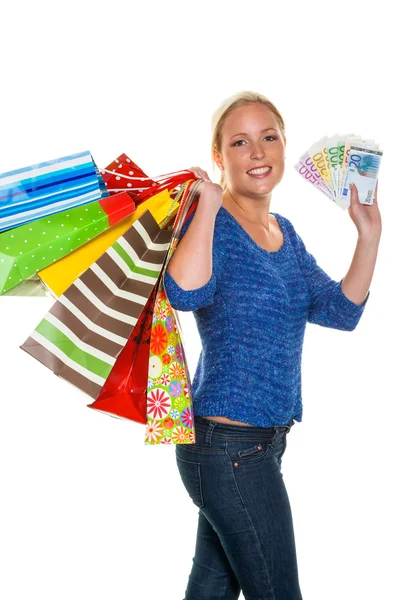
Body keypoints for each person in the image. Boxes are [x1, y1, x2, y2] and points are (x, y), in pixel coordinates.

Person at [163, 91, 382, 600]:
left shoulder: (284, 231)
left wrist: (368, 235)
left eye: (269, 138)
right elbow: (185, 292)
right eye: (240, 142)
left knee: (214, 586)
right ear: (219, 157)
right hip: (226, 447)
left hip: (262, 444)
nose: (257, 152)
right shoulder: (212, 221)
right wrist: (208, 204)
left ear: (285, 147)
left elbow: (340, 311)